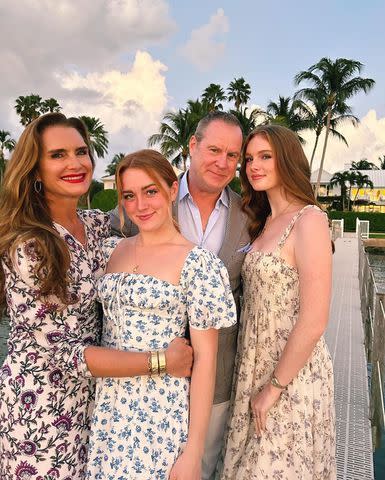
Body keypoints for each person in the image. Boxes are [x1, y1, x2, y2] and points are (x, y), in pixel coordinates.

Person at [0, 113, 192, 479]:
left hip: (99, 406)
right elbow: (66, 354)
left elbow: (150, 205)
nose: (75, 163)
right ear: (35, 170)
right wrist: (161, 362)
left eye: (81, 151)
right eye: (57, 155)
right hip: (41, 411)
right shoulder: (28, 245)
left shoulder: (94, 224)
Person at [110, 111, 250, 479]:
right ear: (193, 145)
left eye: (232, 155)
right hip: (139, 384)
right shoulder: (149, 196)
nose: (222, 162)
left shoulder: (249, 215)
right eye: (214, 149)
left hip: (215, 375)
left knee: (198, 468)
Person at [220, 124, 336, 479]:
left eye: (265, 156)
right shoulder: (263, 220)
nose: (254, 165)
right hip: (251, 365)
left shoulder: (310, 220)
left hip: (290, 373)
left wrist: (274, 388)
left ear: (286, 159)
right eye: (250, 158)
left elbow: (314, 319)